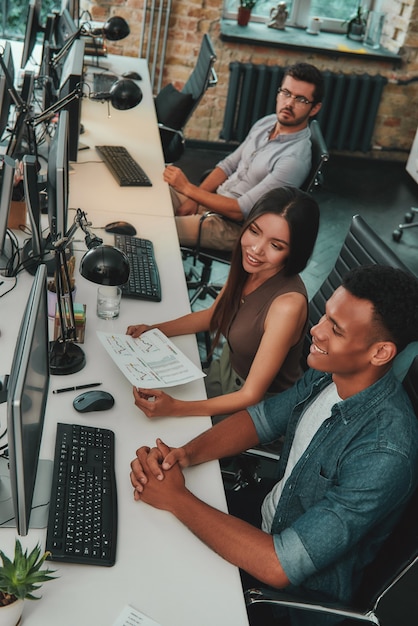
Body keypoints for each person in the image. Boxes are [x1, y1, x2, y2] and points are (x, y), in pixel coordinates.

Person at [130, 265, 418, 626]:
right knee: (140, 537)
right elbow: (261, 419)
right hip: (265, 520)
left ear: (379, 353)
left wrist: (176, 497)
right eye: (325, 316)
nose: (316, 331)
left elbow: (280, 565)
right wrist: (184, 454)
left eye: (336, 329)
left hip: (284, 599)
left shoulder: (383, 454)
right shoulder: (330, 373)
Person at [126, 186, 319, 420]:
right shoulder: (250, 267)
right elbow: (213, 316)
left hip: (255, 412)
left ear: (294, 252)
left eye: (276, 245)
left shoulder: (287, 306)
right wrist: (155, 329)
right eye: (254, 231)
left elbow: (251, 395)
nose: (256, 249)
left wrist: (176, 408)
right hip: (223, 375)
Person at [164, 62, 324, 251]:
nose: (289, 103)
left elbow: (241, 211)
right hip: (212, 200)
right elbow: (228, 165)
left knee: (156, 228)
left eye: (301, 99)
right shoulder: (267, 122)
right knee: (148, 196)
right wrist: (195, 199)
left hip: (234, 227)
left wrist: (189, 190)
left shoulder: (294, 160)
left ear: (314, 108)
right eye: (286, 93)